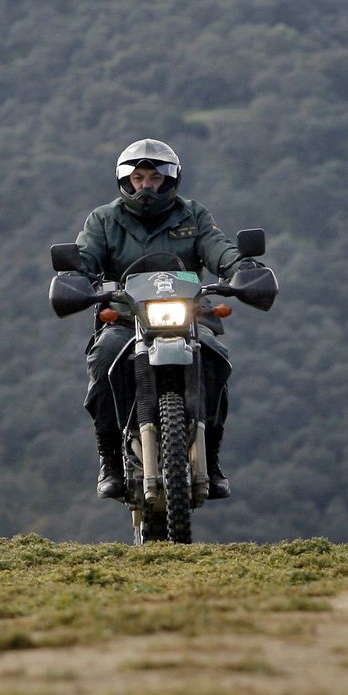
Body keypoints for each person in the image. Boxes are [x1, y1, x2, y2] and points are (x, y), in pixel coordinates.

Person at [73, 138, 261, 501]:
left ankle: (213, 457)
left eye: (155, 178)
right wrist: (76, 275)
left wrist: (241, 267)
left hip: (190, 317)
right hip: (126, 320)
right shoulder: (103, 219)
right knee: (104, 357)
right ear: (126, 180)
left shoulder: (194, 215)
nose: (146, 185)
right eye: (139, 177)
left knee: (215, 356)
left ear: (170, 180)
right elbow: (84, 257)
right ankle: (109, 458)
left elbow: (218, 247)